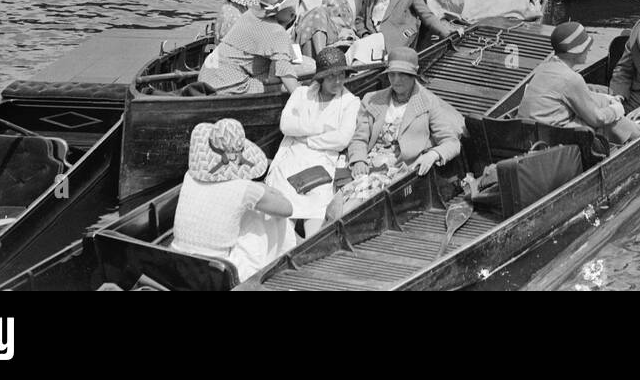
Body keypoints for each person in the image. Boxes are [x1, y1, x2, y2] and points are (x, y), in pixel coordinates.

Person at [169, 120, 294, 282]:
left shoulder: (190, 176)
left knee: (245, 208)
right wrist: (266, 190)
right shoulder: (245, 189)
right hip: (216, 270)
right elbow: (287, 209)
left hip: (176, 256)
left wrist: (256, 189)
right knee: (262, 217)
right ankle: (279, 261)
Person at [341, 48, 464, 206]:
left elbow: (451, 142)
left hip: (401, 172)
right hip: (367, 168)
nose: (396, 80)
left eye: (402, 74)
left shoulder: (428, 102)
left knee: (354, 204)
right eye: (392, 74)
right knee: (336, 203)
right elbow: (359, 138)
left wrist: (432, 154)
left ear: (414, 76)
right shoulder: (372, 99)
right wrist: (359, 160)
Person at [265, 48, 361, 239]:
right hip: (292, 155)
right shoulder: (301, 94)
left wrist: (306, 137)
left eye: (341, 75)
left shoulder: (350, 101)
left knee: (317, 199)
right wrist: (324, 128)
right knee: (282, 191)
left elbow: (341, 139)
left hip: (321, 161)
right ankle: (281, 242)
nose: (338, 82)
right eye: (332, 77)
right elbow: (286, 125)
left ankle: (309, 243)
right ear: (321, 78)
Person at [518, 22, 640, 146]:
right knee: (611, 121)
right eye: (585, 46)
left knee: (599, 106)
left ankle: (635, 133)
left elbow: (580, 97)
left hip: (529, 134)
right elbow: (597, 119)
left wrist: (606, 99)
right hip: (553, 139)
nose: (589, 49)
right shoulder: (571, 78)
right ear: (574, 52)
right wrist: (616, 110)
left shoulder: (543, 68)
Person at [198, 0, 311, 95]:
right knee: (302, 72)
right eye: (290, 8)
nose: (294, 11)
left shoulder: (249, 15)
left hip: (205, 78)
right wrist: (302, 99)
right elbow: (285, 74)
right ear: (277, 10)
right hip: (227, 88)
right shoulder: (277, 32)